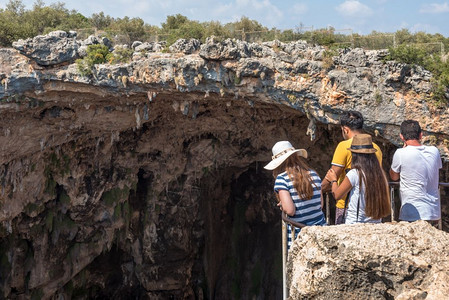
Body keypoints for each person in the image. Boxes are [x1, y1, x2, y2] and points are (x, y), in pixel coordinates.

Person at [322, 111, 383, 224]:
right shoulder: (376, 148)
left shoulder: (343, 146)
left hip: (347, 205)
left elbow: (334, 173)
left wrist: (319, 190)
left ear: (345, 129)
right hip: (373, 204)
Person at [264, 141, 326, 248]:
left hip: (300, 236)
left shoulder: (282, 179)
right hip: (321, 231)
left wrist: (283, 204)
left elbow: (290, 210)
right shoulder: (313, 174)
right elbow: (320, 204)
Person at [325, 134, 391, 224]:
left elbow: (337, 195)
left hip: (355, 223)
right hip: (375, 222)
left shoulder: (355, 174)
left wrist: (333, 180)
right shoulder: (380, 174)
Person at [389, 120, 442, 224]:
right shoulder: (434, 151)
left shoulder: (400, 153)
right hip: (433, 211)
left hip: (412, 212)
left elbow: (394, 177)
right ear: (421, 135)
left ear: (402, 137)